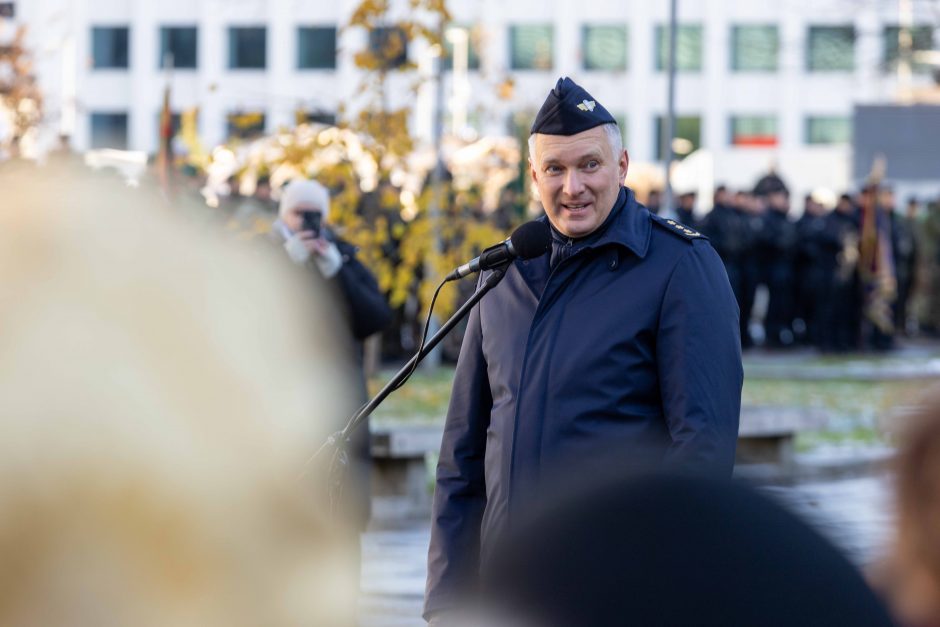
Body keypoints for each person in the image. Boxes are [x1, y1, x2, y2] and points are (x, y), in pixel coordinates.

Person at [424, 77, 742, 622]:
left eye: (589, 165)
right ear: (533, 177)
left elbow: (702, 454)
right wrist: (448, 603)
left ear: (621, 166)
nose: (572, 187)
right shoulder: (503, 275)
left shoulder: (679, 267)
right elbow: (463, 459)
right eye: (555, 169)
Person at [272, 179, 392, 573]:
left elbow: (375, 318)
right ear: (283, 213)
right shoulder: (263, 254)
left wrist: (336, 270)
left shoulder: (340, 256)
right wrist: (286, 261)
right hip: (279, 412)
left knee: (342, 533)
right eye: (298, 213)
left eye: (314, 214)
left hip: (341, 408)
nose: (306, 221)